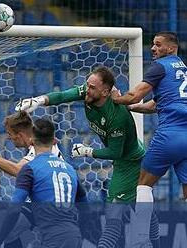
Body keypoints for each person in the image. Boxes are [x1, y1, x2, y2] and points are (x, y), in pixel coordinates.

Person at [16, 66, 160, 248]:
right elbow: (63, 96)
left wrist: (87, 151)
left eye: (92, 87)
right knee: (143, 213)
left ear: (106, 92)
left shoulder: (117, 116)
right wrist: (38, 101)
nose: (87, 89)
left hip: (129, 163)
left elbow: (116, 152)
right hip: (126, 160)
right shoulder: (89, 92)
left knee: (113, 216)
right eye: (87, 85)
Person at [111, 31, 187, 246]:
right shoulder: (183, 71)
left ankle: (141, 240)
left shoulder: (160, 67)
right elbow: (156, 104)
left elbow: (135, 94)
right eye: (153, 44)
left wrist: (116, 99)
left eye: (158, 45)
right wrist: (134, 108)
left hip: (169, 134)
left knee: (143, 184)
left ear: (171, 48)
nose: (153, 48)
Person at [0, 111, 87, 248]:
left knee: (12, 229)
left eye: (10, 134)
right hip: (48, 206)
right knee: (11, 232)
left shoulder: (42, 149)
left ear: (21, 135)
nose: (9, 138)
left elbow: (18, 170)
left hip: (48, 201)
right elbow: (84, 202)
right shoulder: (46, 148)